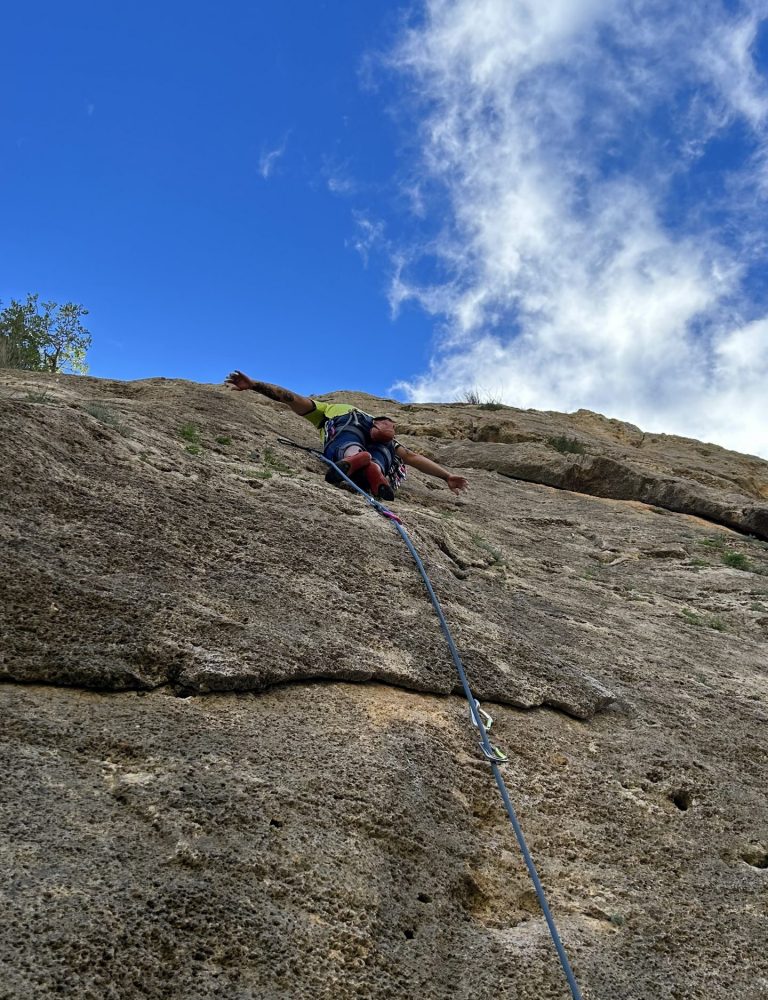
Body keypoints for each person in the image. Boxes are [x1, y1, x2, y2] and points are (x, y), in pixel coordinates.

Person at [225, 371, 469, 501]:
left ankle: (355, 457)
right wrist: (446, 475)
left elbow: (293, 399)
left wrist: (255, 384)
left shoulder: (331, 409)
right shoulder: (384, 432)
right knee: (384, 456)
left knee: (346, 441)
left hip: (345, 421)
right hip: (384, 443)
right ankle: (374, 467)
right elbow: (412, 457)